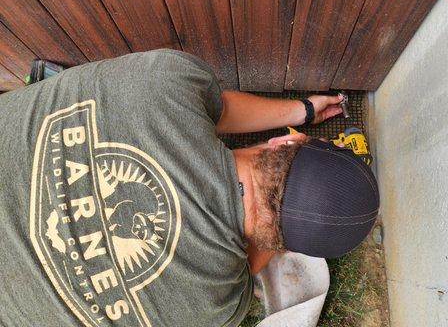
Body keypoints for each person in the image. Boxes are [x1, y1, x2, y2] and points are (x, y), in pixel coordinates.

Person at [0, 49, 379, 326]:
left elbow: (219, 108)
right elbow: (259, 248)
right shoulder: (216, 305)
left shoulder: (163, 83)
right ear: (288, 246)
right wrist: (284, 227)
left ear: (283, 142)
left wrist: (303, 111)